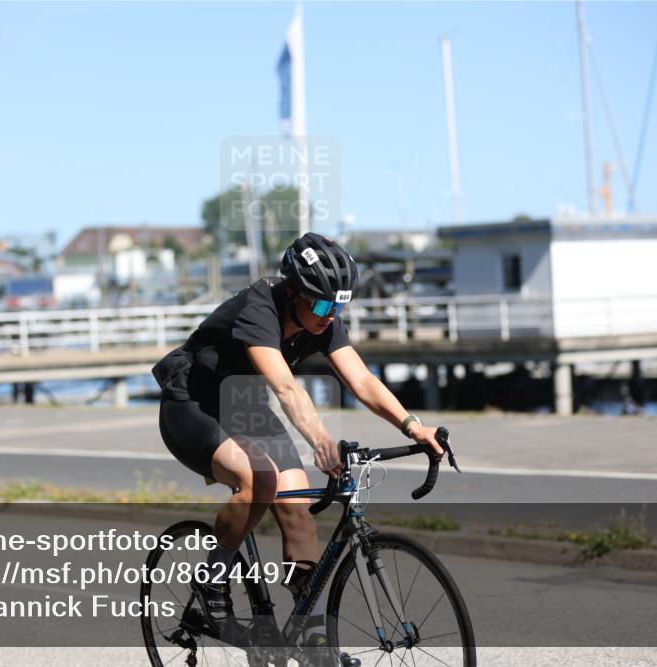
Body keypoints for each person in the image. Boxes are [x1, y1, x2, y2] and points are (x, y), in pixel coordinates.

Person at [152, 233, 448, 652]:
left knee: (298, 511)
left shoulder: (322, 317)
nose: (331, 315)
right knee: (258, 479)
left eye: (339, 306)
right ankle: (211, 583)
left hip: (243, 407)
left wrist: (413, 426)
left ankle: (306, 630)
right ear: (294, 291)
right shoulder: (259, 308)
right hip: (192, 404)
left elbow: (362, 379)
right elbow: (288, 389)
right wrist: (320, 439)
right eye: (324, 305)